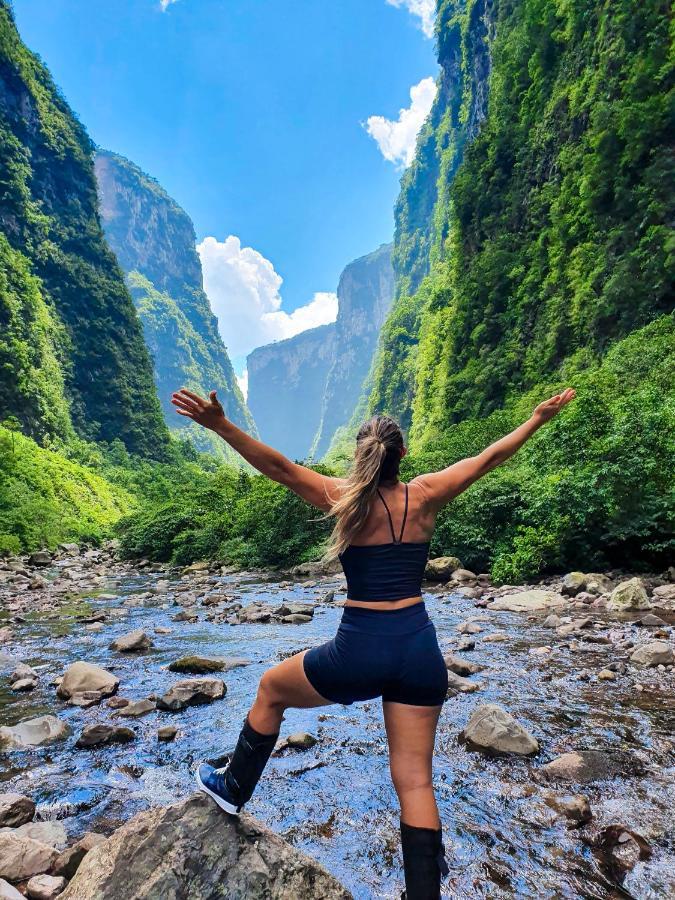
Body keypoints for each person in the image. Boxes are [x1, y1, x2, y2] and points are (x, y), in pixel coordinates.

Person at [171, 385, 576, 899]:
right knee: (415, 781)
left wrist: (220, 426)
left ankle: (231, 790)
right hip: (419, 651)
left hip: (360, 650)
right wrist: (536, 418)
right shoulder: (426, 494)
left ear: (360, 456)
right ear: (402, 455)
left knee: (271, 689)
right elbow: (487, 458)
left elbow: (277, 467)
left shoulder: (345, 498)